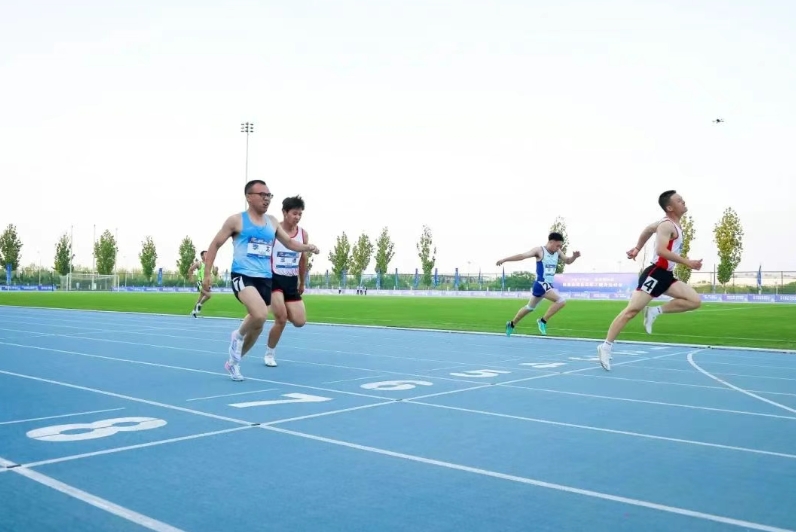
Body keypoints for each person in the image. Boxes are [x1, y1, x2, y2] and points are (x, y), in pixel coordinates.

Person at [202, 180, 319, 381]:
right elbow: (215, 245)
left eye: (269, 195)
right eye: (262, 195)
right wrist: (207, 274)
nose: (266, 199)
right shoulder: (236, 221)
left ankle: (234, 363)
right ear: (249, 197)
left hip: (265, 278)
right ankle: (237, 335)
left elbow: (290, 243)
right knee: (260, 313)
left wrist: (307, 247)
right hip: (243, 275)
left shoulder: (272, 222)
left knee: (258, 325)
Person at [597, 190, 702, 371]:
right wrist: (687, 262)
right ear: (670, 207)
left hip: (666, 275)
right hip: (654, 274)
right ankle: (605, 346)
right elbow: (661, 251)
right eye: (679, 200)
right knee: (631, 311)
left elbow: (647, 230)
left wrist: (637, 248)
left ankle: (654, 311)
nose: (683, 202)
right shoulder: (666, 225)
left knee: (694, 301)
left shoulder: (669, 224)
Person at [496, 232, 581, 337]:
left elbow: (567, 261)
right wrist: (504, 259)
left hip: (547, 285)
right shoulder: (539, 251)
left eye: (560, 246)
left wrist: (574, 257)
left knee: (530, 307)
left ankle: (511, 324)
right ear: (551, 242)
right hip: (541, 283)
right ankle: (542, 321)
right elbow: (522, 256)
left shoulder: (558, 252)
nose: (558, 248)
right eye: (557, 245)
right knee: (561, 301)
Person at [263, 195, 310, 368]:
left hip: (291, 281)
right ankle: (269, 353)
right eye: (294, 213)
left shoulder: (303, 234)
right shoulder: (273, 231)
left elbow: (303, 260)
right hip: (273, 279)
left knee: (299, 321)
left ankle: (265, 309)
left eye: (300, 214)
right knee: (281, 319)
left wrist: (302, 282)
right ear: (284, 212)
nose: (297, 217)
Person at [187, 251, 212, 318]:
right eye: (205, 254)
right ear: (202, 256)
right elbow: (190, 269)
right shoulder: (199, 263)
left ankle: (193, 311)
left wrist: (216, 271)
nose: (207, 255)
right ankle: (200, 305)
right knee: (208, 295)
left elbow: (212, 273)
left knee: (200, 298)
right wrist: (191, 278)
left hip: (207, 284)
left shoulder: (209, 264)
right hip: (200, 283)